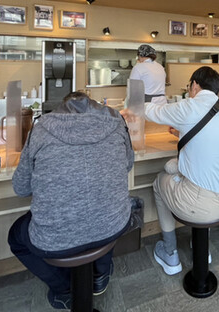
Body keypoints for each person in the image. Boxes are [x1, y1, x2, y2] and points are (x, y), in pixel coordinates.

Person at [8, 92, 134, 308]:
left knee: (16, 237)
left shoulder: (41, 129)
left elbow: (21, 188)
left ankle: (65, 288)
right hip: (114, 225)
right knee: (104, 208)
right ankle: (100, 275)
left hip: (55, 237)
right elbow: (128, 164)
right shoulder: (116, 123)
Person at [141, 66, 219, 275]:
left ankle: (170, 253)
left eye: (189, 86)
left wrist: (132, 104)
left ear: (195, 85)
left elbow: (152, 112)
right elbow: (216, 138)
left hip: (200, 205)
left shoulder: (189, 106)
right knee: (205, 177)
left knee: (159, 182)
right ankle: (201, 247)